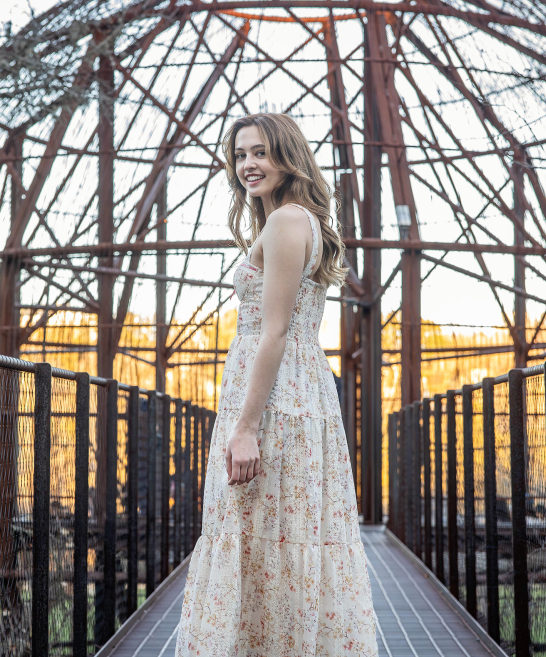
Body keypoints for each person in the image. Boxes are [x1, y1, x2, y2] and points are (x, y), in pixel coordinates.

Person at [175, 113, 379, 657]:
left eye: (260, 152)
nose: (248, 164)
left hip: (275, 403)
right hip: (290, 395)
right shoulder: (292, 220)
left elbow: (276, 332)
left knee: (261, 536)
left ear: (287, 156)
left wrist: (244, 428)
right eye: (240, 154)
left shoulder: (289, 221)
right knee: (273, 538)